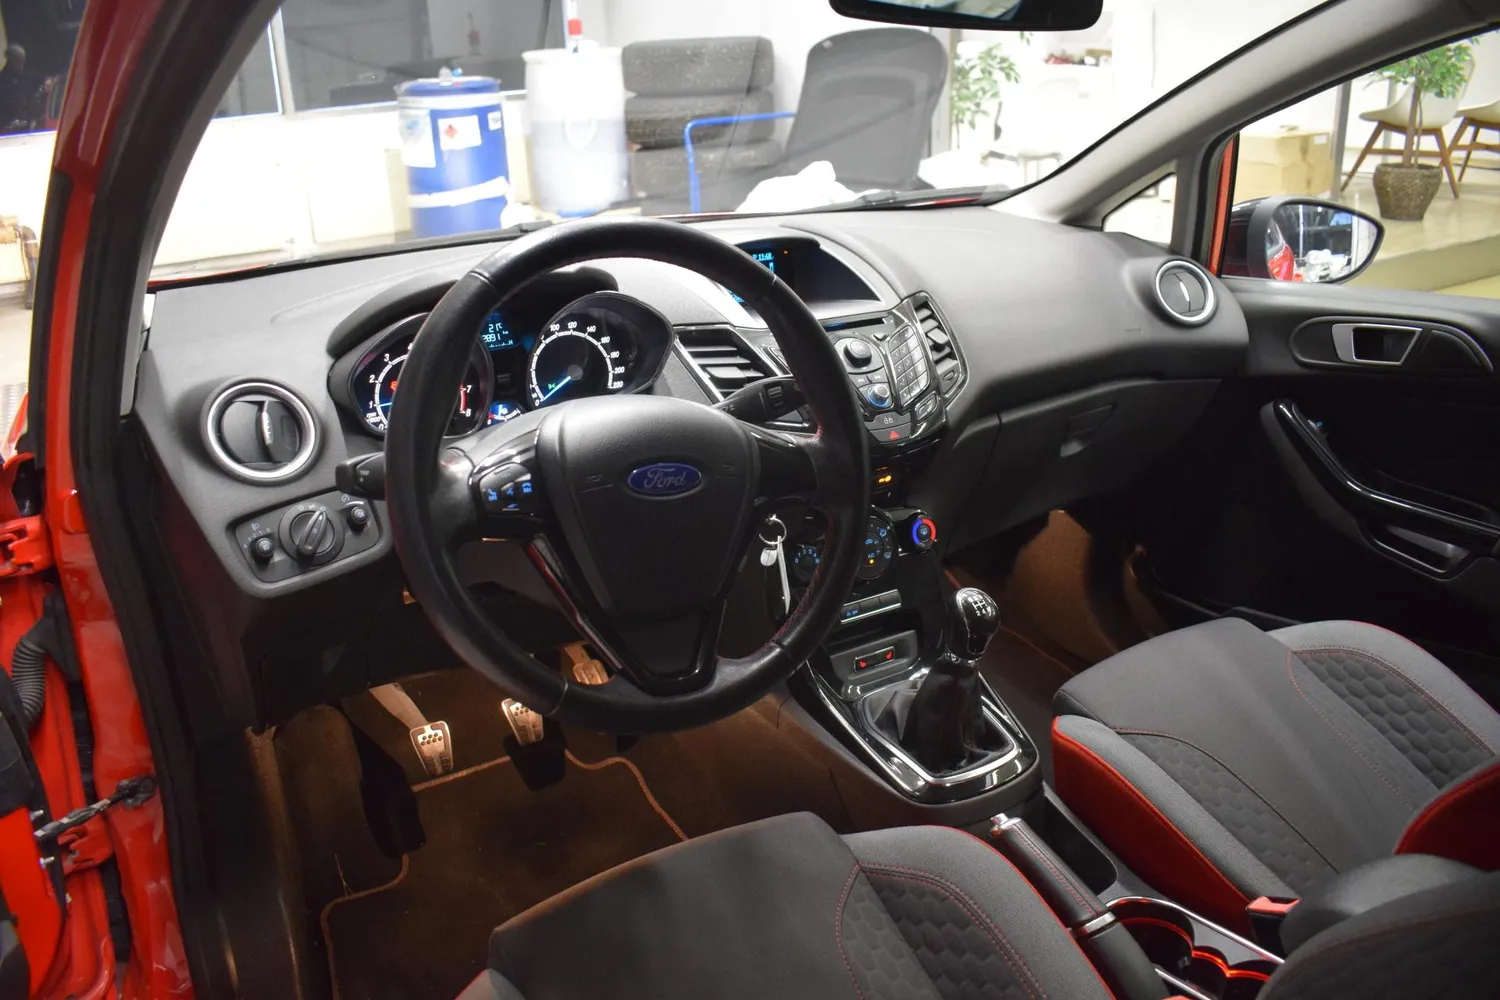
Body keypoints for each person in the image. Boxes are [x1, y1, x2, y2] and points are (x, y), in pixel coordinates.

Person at [0, 44, 45, 134]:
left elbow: (40, 83)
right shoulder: (3, 80)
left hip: (24, 126)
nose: (21, 64)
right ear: (10, 60)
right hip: (6, 127)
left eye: (22, 61)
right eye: (18, 60)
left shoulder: (26, 78)